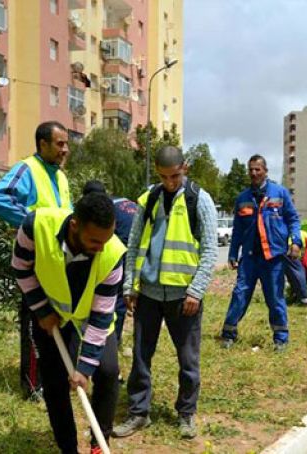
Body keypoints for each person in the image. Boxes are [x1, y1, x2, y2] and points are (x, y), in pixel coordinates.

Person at [113, 146, 218, 440]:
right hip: (148, 293)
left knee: (188, 360)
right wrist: (130, 286)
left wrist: (196, 292)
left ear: (184, 167)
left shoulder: (201, 200)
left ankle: (186, 414)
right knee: (140, 357)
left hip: (184, 296)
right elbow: (133, 245)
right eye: (163, 177)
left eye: (174, 176)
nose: (170, 182)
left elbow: (210, 250)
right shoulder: (149, 199)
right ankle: (138, 412)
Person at [12, 192, 125, 454]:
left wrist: (84, 368)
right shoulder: (35, 226)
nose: (101, 247)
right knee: (54, 383)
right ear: (75, 225)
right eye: (94, 241)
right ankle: (68, 448)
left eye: (105, 240)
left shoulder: (113, 253)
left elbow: (101, 315)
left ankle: (99, 442)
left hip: (90, 318)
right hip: (51, 315)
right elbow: (20, 267)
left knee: (107, 372)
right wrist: (41, 309)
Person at [0, 121, 72, 399]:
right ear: (43, 144)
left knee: (58, 319)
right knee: (36, 321)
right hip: (34, 261)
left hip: (58, 262)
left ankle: (56, 376)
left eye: (66, 144)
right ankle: (33, 385)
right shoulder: (27, 169)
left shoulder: (60, 176)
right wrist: (30, 225)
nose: (65, 149)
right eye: (60, 144)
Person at [221, 155, 301, 352]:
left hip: (273, 257)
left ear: (265, 171)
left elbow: (293, 219)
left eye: (257, 169)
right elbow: (238, 230)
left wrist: (296, 241)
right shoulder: (243, 198)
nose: (254, 173)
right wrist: (232, 253)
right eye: (251, 170)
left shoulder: (280, 194)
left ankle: (280, 338)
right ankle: (229, 334)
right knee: (240, 294)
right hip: (249, 257)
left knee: (275, 297)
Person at [81, 180, 139, 346]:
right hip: (139, 251)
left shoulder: (101, 209)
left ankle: (109, 339)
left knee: (111, 295)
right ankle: (115, 339)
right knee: (121, 296)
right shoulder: (125, 202)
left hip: (120, 251)